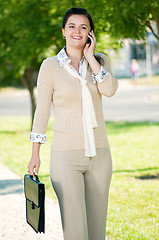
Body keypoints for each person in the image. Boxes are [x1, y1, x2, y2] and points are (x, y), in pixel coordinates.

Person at [28, 7, 118, 240]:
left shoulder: (100, 62)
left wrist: (90, 58)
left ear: (90, 34)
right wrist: (35, 154)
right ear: (63, 31)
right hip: (65, 157)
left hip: (100, 155)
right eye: (72, 26)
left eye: (83, 27)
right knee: (76, 230)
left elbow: (109, 90)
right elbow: (42, 112)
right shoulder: (50, 66)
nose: (77, 31)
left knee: (97, 230)